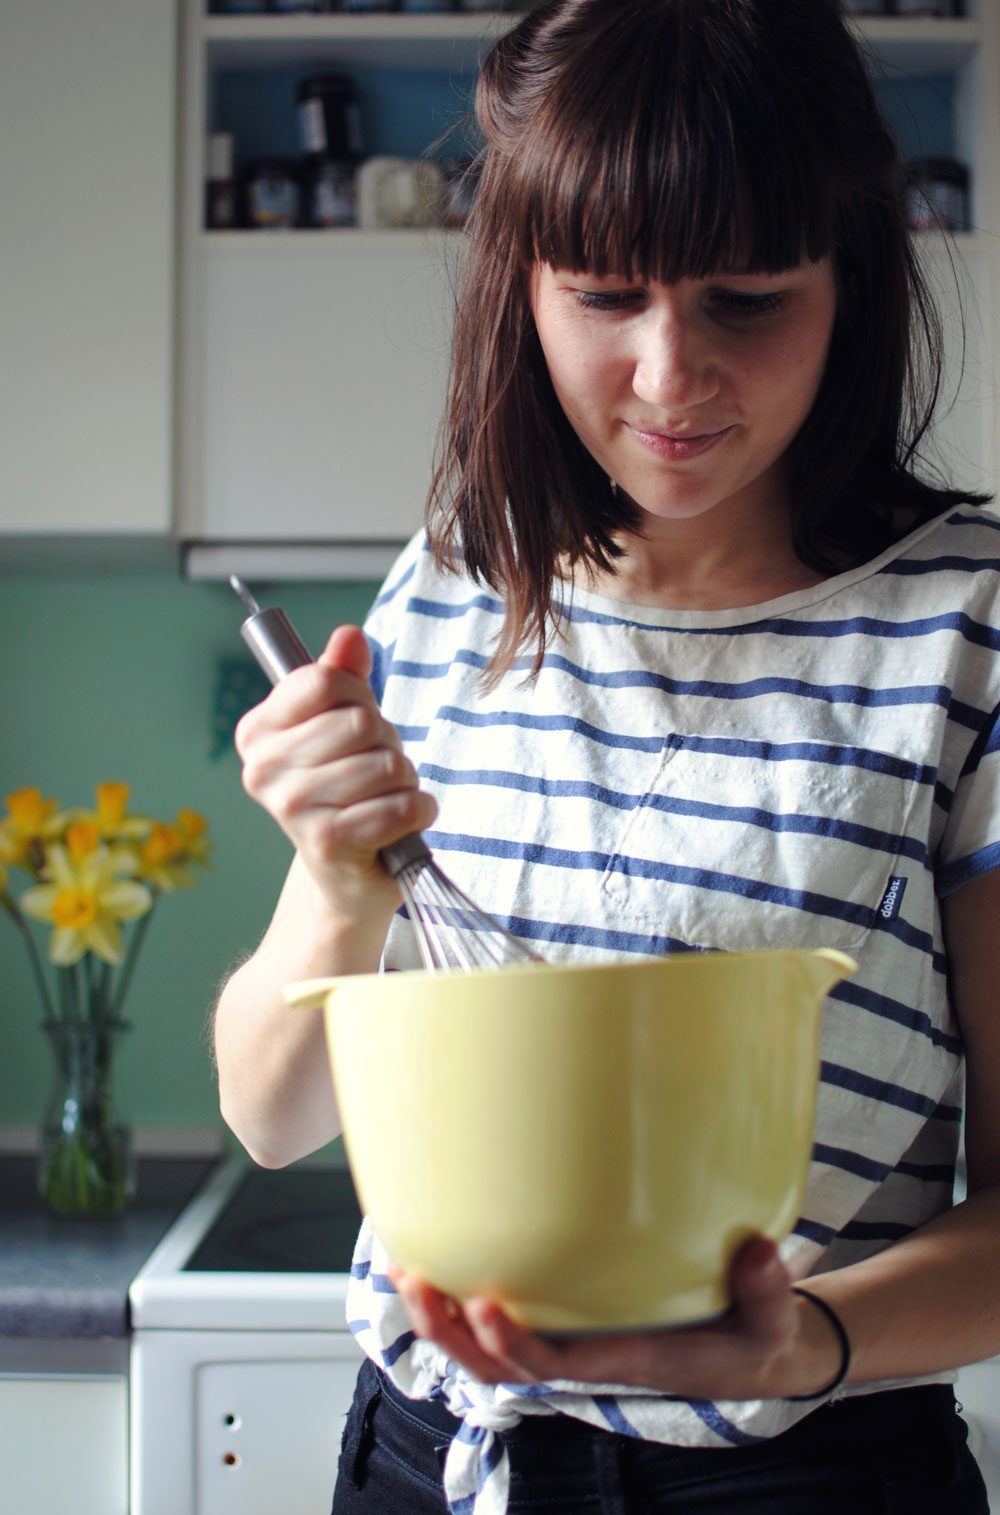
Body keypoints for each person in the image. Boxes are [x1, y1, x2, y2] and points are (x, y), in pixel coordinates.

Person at [213, 1, 1000, 1510]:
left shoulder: (964, 627)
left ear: (855, 279)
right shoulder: (450, 586)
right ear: (522, 289)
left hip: (797, 1472)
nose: (666, 376)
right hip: (426, 1456)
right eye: (604, 297)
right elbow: (275, 1113)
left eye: (748, 299)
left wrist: (790, 1346)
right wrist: (330, 884)